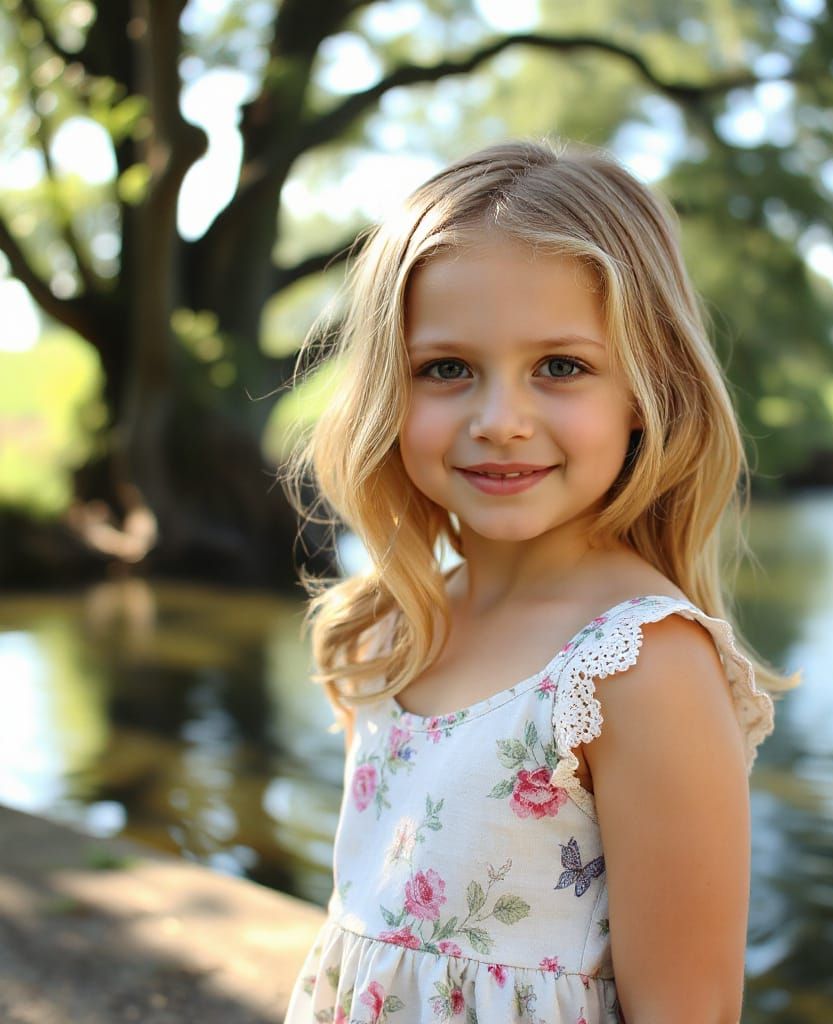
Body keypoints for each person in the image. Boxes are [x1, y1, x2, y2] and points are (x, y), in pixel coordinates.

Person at [280, 138, 797, 1024]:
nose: (501, 421)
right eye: (447, 369)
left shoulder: (638, 664)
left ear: (648, 390)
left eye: (561, 367)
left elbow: (690, 1010)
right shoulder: (397, 624)